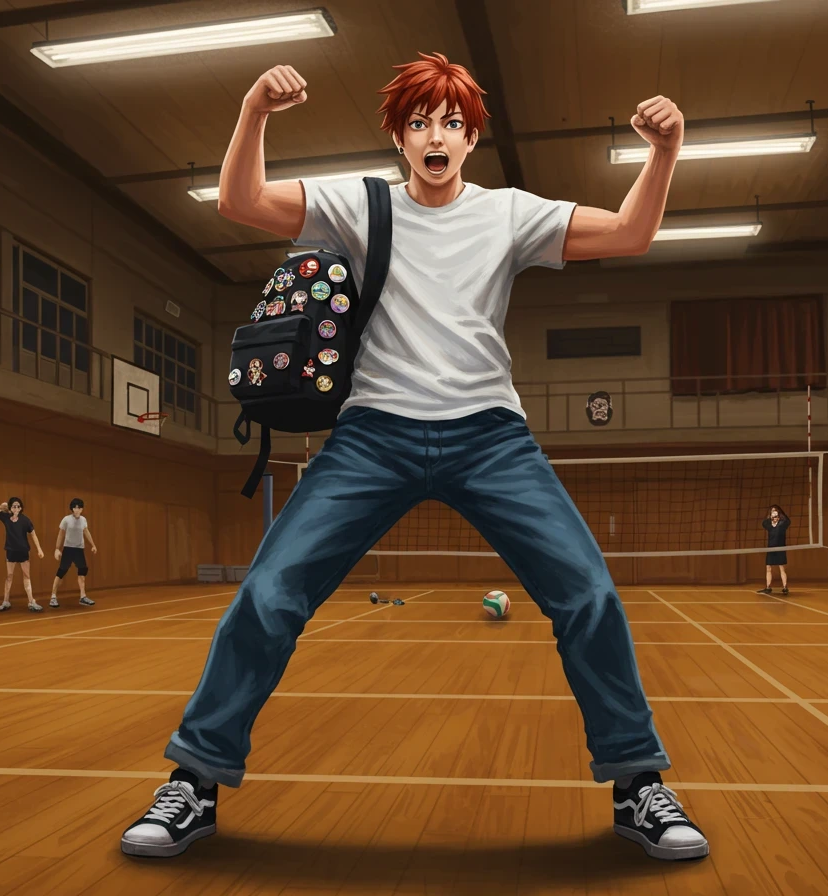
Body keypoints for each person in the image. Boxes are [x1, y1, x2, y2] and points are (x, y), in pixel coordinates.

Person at [120, 54, 707, 862]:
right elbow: (240, 200)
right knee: (269, 593)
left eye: (454, 124)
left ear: (472, 138)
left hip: (490, 436)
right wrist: (254, 108)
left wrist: (664, 154)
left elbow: (632, 234)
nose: (438, 137)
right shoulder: (357, 205)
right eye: (421, 123)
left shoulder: (507, 213)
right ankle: (195, 781)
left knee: (589, 595)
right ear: (399, 137)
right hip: (374, 435)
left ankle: (638, 784)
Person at [0, 497, 44, 612]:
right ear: (10, 507)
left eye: (18, 506)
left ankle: (31, 601)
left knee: (26, 576)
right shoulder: (6, 518)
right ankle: (6, 601)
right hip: (11, 551)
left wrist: (39, 549)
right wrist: (2, 507)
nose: (16, 508)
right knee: (9, 576)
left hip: (23, 551)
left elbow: (33, 535)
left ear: (21, 508)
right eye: (14, 506)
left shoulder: (25, 520)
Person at [50, 498, 97, 608]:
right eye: (75, 507)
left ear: (82, 509)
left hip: (79, 549)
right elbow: (61, 534)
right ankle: (53, 597)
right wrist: (57, 548)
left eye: (79, 508)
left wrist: (93, 545)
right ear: (72, 508)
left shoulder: (83, 520)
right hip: (68, 549)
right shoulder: (66, 520)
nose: (77, 509)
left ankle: (83, 596)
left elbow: (86, 532)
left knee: (82, 571)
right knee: (61, 572)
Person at [757, 505, 790, 596]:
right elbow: (764, 522)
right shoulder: (769, 525)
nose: (774, 515)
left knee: (782, 568)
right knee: (768, 568)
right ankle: (768, 587)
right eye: (772, 513)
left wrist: (781, 512)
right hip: (771, 549)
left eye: (776, 513)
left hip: (780, 549)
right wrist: (770, 516)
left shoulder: (782, 524)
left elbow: (788, 521)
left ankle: (785, 587)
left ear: (779, 515)